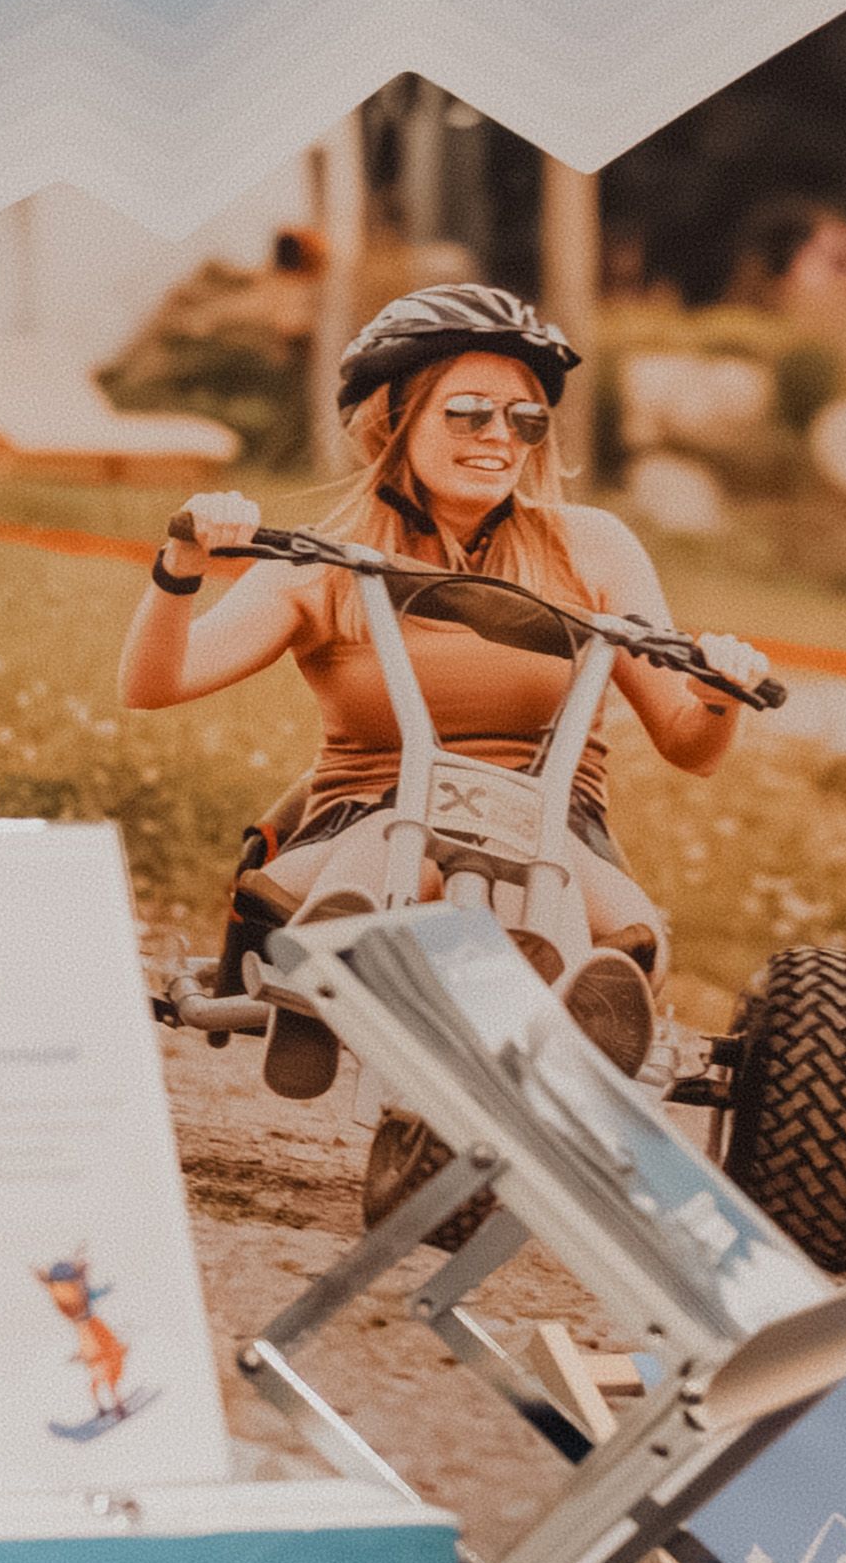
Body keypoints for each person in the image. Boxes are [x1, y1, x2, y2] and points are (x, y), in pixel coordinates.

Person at [111, 281, 735, 1090]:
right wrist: (181, 569)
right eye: (469, 412)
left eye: (525, 418)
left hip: (552, 836)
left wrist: (718, 693)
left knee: (621, 931)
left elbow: (693, 744)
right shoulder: (320, 567)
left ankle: (576, 1008)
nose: (499, 437)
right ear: (395, 419)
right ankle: (338, 956)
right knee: (394, 844)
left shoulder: (594, 550)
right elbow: (153, 685)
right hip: (366, 821)